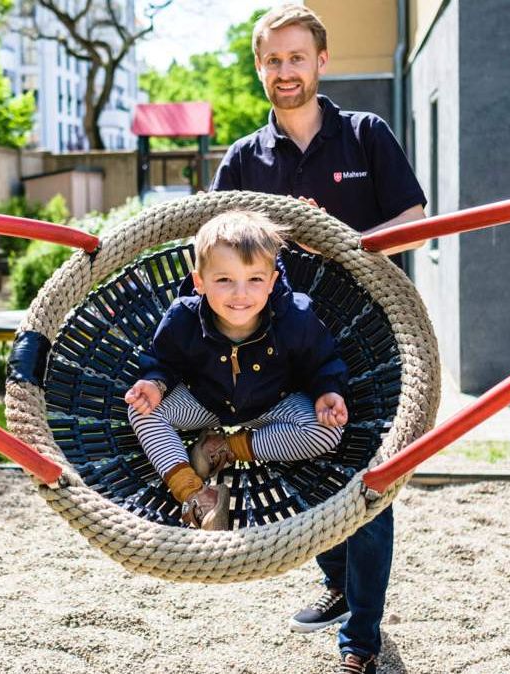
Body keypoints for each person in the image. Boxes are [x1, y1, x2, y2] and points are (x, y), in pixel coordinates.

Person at [209, 5, 428, 673]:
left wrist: (334, 238)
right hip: (278, 345)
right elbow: (212, 245)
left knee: (370, 481)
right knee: (302, 471)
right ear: (259, 68)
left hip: (370, 338)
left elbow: (415, 220)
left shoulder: (365, 135)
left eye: (296, 58)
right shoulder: (244, 158)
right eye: (273, 60)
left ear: (321, 61)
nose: (285, 71)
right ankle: (336, 582)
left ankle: (360, 640)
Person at [125, 210, 349, 530]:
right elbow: (163, 360)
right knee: (141, 411)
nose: (240, 294)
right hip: (204, 402)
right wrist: (155, 384)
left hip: (271, 405)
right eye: (224, 280)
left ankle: (225, 448)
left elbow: (322, 361)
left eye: (254, 279)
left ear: (271, 282)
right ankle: (196, 493)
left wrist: (327, 390)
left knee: (327, 431)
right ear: (200, 282)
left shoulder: (295, 318)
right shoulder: (183, 317)